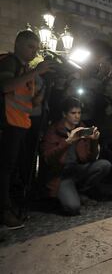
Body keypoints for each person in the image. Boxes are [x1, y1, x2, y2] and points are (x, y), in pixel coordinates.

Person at [0, 30, 55, 229]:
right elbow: (5, 86)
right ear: (18, 44)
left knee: (13, 169)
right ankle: (4, 212)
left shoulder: (25, 69)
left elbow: (29, 102)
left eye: (36, 48)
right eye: (30, 46)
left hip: (21, 124)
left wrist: (43, 89)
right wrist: (36, 72)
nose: (34, 51)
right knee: (4, 170)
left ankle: (11, 205)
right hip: (7, 124)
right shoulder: (9, 62)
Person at [41, 97, 111, 215]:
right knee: (73, 208)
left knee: (104, 165)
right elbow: (48, 158)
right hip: (62, 174)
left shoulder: (82, 129)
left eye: (79, 113)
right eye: (73, 113)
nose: (77, 116)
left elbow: (90, 158)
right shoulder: (54, 130)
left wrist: (94, 141)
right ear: (64, 114)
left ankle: (80, 191)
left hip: (78, 169)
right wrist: (68, 141)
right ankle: (67, 194)